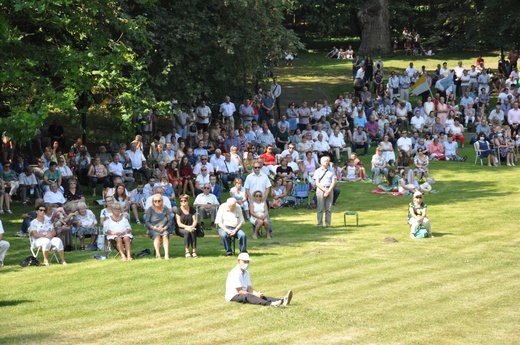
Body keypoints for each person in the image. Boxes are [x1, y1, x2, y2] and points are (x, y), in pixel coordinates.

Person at [225, 252, 293, 307]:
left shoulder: (246, 272)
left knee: (260, 296)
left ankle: (282, 300)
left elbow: (249, 288)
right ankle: (270, 304)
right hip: (233, 295)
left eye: (247, 262)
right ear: (239, 261)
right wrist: (254, 295)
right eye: (244, 262)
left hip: (244, 293)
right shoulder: (235, 273)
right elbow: (240, 291)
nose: (246, 264)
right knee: (248, 297)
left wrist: (256, 293)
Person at [145, 194, 172, 259]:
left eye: (159, 201)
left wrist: (165, 228)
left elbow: (170, 221)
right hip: (153, 229)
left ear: (162, 201)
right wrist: (155, 228)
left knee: (165, 235)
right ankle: (158, 254)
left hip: (163, 228)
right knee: (157, 236)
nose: (157, 202)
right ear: (153, 202)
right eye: (155, 201)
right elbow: (147, 222)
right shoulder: (150, 209)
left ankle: (166, 254)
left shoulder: (166, 209)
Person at [315, 156, 337, 228]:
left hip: (329, 189)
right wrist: (325, 190)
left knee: (329, 208)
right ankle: (319, 224)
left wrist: (329, 190)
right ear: (321, 162)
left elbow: (334, 181)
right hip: (321, 189)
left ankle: (328, 224)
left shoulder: (331, 170)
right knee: (320, 208)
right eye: (325, 161)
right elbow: (317, 183)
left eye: (328, 161)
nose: (327, 162)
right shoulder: (318, 171)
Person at [175, 194, 198, 258]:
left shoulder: (192, 209)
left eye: (185, 200)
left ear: (188, 201)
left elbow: (195, 220)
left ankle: (194, 251)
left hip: (191, 227)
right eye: (181, 201)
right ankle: (187, 251)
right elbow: (179, 224)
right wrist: (188, 227)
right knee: (187, 232)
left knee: (192, 231)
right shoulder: (178, 210)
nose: (183, 202)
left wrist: (192, 227)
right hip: (181, 228)